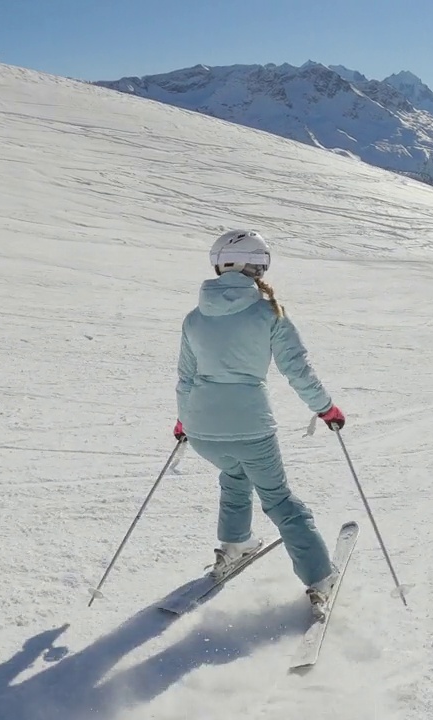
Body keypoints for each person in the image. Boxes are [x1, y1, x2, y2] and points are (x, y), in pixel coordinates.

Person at [173, 229, 346, 613]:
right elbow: (298, 371)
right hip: (250, 427)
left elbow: (186, 378)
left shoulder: (194, 318)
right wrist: (326, 408)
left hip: (203, 430)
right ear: (259, 266)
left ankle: (234, 546)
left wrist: (185, 423)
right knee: (280, 500)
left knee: (234, 476)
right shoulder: (269, 313)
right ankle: (320, 578)